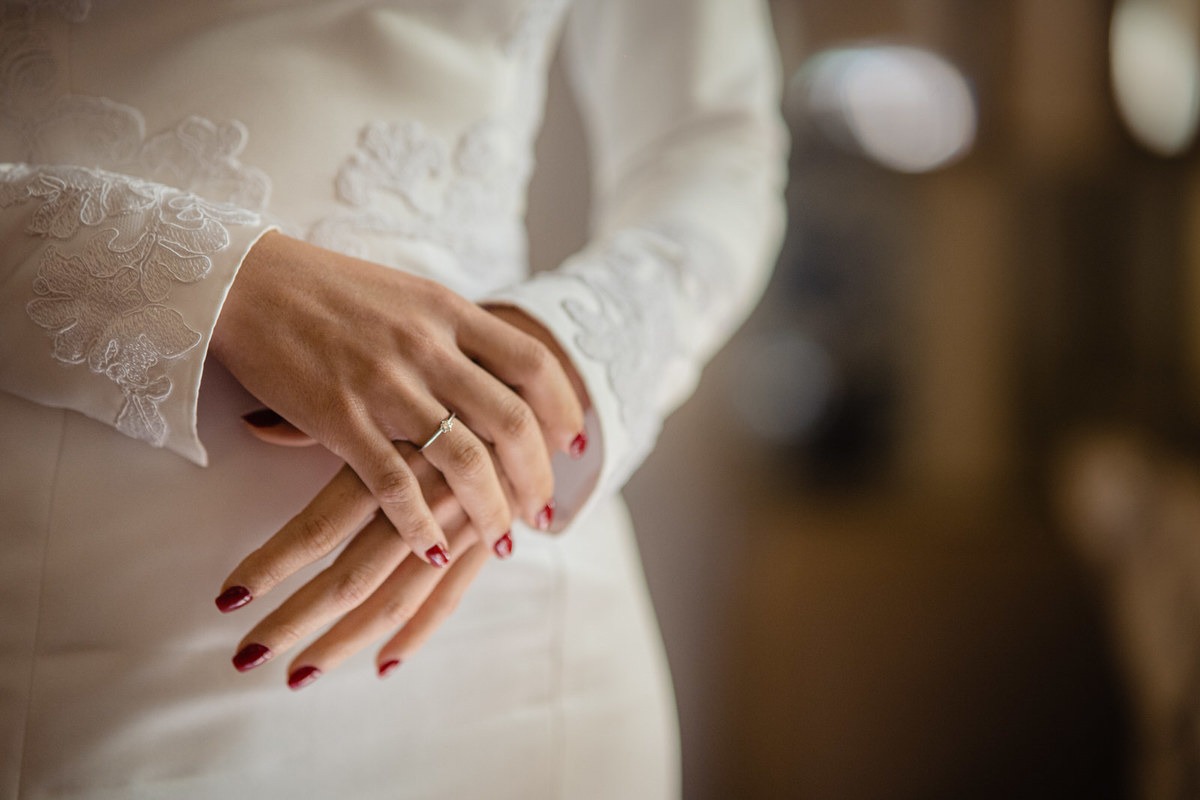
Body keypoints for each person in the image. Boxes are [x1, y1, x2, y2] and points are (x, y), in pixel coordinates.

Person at [0, 0, 787, 797]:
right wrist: (222, 280)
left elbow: (715, 151)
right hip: (89, 614)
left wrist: (552, 355)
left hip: (508, 596)